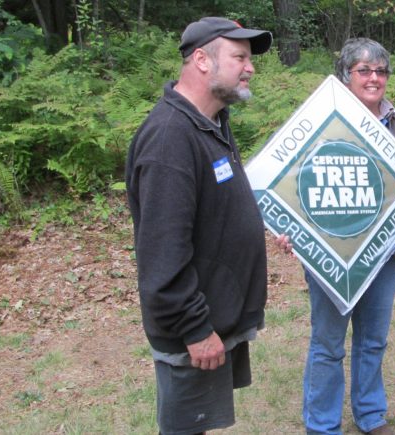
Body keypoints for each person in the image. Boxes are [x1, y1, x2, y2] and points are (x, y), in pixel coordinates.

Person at [125, 17, 272, 434]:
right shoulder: (171, 137)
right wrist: (194, 328)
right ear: (202, 61)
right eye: (240, 57)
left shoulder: (210, 122)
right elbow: (162, 254)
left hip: (215, 317)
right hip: (193, 329)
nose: (250, 67)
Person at [277, 38, 395, 435]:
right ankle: (323, 425)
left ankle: (371, 415)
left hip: (383, 250)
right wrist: (287, 226)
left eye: (381, 71)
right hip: (333, 251)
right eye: (364, 70)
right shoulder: (322, 119)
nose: (374, 78)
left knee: (373, 339)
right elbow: (292, 182)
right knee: (328, 344)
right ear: (346, 78)